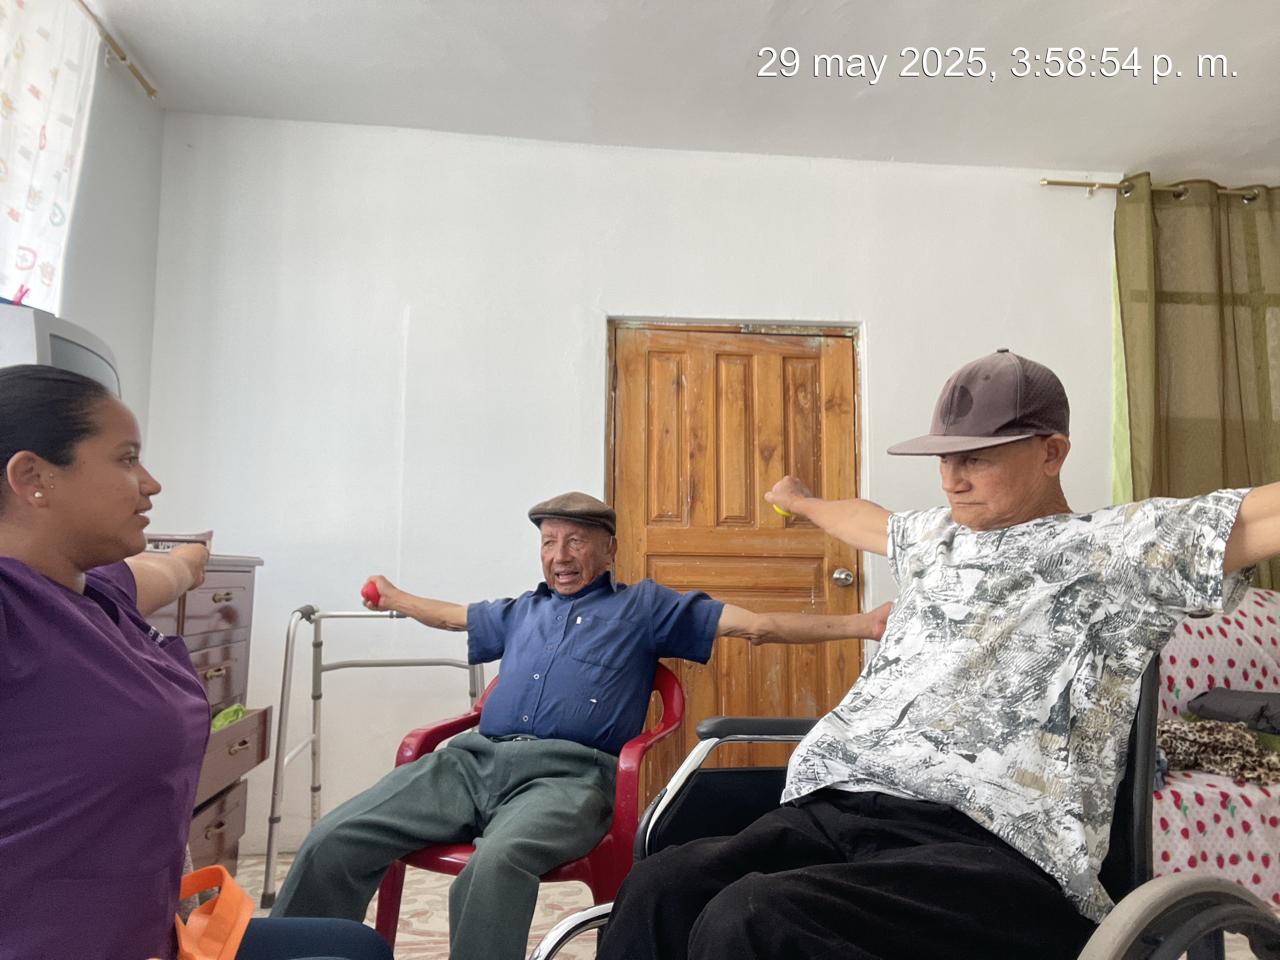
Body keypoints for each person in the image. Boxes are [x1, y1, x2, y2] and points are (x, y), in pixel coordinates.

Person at [595, 348, 1280, 960]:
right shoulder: (938, 537)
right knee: (661, 886)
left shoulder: (1119, 547)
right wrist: (802, 502)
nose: (952, 479)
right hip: (839, 808)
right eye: (944, 460)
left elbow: (1258, 517)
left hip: (990, 846)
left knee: (754, 920)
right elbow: (866, 520)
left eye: (976, 457)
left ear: (1051, 452)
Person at [271, 491, 892, 960]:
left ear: (608, 549)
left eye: (575, 541)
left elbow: (755, 626)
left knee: (497, 864)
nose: (560, 555)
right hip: (470, 761)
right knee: (335, 837)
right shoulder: (522, 610)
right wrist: (394, 596)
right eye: (549, 542)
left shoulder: (645, 607)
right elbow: (452, 616)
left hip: (567, 779)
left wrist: (860, 625)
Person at [0, 365, 392, 960]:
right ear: (34, 477)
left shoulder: (97, 591)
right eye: (127, 459)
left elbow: (170, 570)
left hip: (154, 933)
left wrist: (192, 556)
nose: (151, 483)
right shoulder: (13, 609)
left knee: (356, 948)